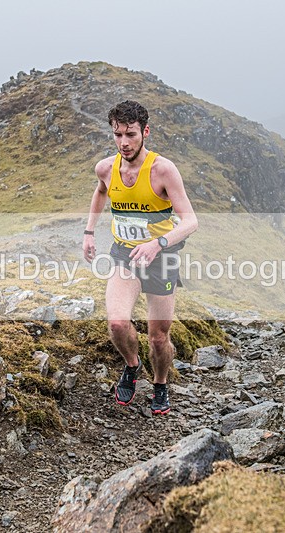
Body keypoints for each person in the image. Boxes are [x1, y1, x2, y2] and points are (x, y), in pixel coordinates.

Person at [82, 100, 198, 415]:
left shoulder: (163, 170)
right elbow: (101, 191)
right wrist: (89, 232)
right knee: (118, 323)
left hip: (162, 259)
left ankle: (160, 383)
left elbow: (190, 222)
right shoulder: (106, 168)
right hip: (124, 255)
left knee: (159, 338)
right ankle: (132, 366)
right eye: (118, 135)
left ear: (145, 132)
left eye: (131, 134)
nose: (124, 142)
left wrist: (158, 243)